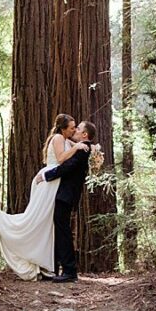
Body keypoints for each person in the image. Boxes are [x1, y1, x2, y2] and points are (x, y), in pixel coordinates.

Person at [0, 115, 89, 280]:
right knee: (37, 218)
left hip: (55, 182)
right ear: (63, 129)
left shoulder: (66, 139)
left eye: (75, 127)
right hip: (49, 180)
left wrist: (82, 146)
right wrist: (77, 146)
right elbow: (61, 159)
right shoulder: (58, 138)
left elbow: (81, 146)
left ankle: (45, 265)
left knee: (45, 223)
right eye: (72, 127)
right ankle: (1, 220)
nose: (74, 130)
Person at [38, 120, 97, 283]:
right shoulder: (81, 147)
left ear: (84, 134)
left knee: (63, 231)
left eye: (78, 129)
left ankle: (69, 271)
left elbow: (66, 167)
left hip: (66, 195)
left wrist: (45, 176)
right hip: (65, 194)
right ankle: (55, 268)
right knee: (60, 230)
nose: (75, 130)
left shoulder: (83, 149)